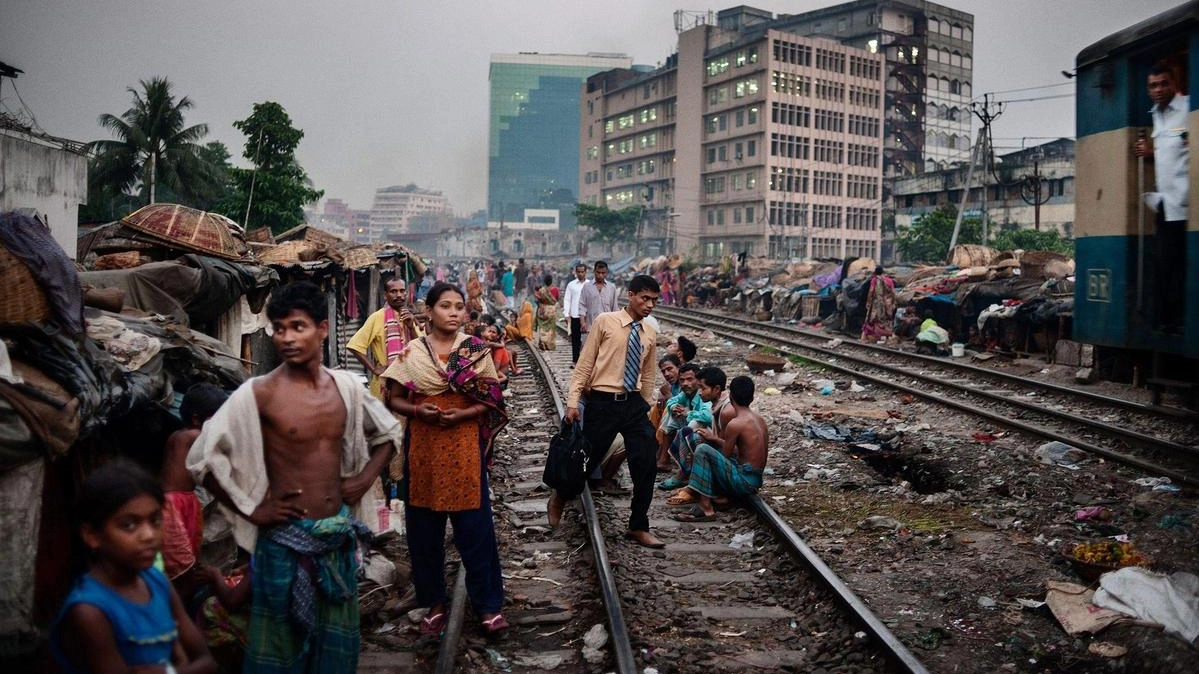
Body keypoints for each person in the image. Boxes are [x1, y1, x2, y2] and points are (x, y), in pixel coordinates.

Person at [187, 281, 402, 673]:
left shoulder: (347, 390)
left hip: (335, 541)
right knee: (279, 654)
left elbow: (388, 434)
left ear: (322, 328)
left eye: (297, 327)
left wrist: (362, 479)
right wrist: (251, 510)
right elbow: (202, 459)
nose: (286, 337)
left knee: (335, 653)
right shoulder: (260, 392)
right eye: (279, 328)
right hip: (282, 545)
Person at [382, 282, 509, 635]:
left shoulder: (475, 351)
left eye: (460, 307)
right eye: (446, 306)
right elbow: (393, 398)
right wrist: (418, 410)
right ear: (429, 311)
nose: (454, 313)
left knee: (475, 528)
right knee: (424, 531)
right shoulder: (412, 353)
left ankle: (488, 606)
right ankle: (433, 603)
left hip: (463, 446)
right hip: (423, 446)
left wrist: (464, 415)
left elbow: (492, 400)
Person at [52, 459, 217, 674]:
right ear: (92, 536)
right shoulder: (89, 611)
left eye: (155, 521)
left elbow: (207, 663)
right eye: (129, 525)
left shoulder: (157, 582)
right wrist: (179, 664)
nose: (149, 535)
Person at [550, 274, 665, 549]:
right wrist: (573, 402)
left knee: (646, 462)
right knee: (584, 460)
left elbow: (648, 373)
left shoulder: (649, 330)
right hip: (603, 401)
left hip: (634, 403)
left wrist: (646, 405)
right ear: (631, 294)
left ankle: (638, 525)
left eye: (654, 301)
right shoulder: (605, 322)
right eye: (644, 298)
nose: (649, 305)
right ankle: (560, 497)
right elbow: (584, 364)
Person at [1134, 61, 1189, 332]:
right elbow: (1173, 150)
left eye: (1163, 83)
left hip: (1187, 203)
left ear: (1174, 83)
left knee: (1177, 264)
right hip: (1166, 203)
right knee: (1164, 264)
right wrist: (1151, 151)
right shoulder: (1157, 115)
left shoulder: (1188, 108)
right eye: (1152, 85)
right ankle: (1168, 321)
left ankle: (1177, 321)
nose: (1157, 90)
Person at [161, 383, 229, 591]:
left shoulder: (182, 436)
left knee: (189, 559)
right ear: (196, 419)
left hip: (186, 501)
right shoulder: (190, 437)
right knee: (179, 564)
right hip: (173, 504)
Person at [673, 376, 768, 521]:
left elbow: (725, 455)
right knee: (708, 448)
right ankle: (718, 496)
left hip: (744, 482)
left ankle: (706, 507)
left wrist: (713, 439)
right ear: (752, 397)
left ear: (731, 396)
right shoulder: (760, 420)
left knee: (702, 450)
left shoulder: (735, 423)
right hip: (756, 481)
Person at [665, 366, 734, 506]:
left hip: (735, 472)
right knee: (691, 433)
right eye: (682, 380)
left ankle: (703, 498)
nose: (700, 392)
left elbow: (732, 451)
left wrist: (712, 440)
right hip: (727, 461)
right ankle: (695, 484)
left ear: (716, 389)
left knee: (698, 441)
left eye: (702, 388)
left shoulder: (726, 410)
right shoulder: (715, 402)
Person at [348, 277, 417, 400]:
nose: (399, 295)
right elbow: (354, 346)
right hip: (384, 382)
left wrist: (411, 328)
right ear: (386, 295)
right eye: (394, 291)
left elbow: (421, 347)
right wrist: (373, 369)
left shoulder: (410, 317)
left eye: (402, 291)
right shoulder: (377, 317)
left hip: (410, 378)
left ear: (406, 293)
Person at [655, 363, 713, 491]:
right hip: (693, 432)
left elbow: (708, 416)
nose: (685, 383)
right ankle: (665, 459)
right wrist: (673, 408)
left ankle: (684, 473)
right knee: (671, 417)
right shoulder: (686, 394)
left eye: (689, 379)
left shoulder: (703, 394)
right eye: (682, 380)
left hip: (709, 434)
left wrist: (688, 413)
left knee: (692, 424)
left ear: (698, 381)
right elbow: (671, 401)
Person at [579, 260, 618, 346]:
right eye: (598, 272)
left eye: (603, 273)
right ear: (594, 272)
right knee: (590, 353)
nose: (600, 275)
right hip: (591, 326)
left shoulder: (612, 288)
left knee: (605, 352)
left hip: (607, 327)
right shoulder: (587, 287)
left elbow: (615, 308)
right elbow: (582, 305)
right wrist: (582, 322)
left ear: (606, 273)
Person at [861, 266, 897, 343]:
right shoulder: (890, 281)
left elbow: (871, 291)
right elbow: (893, 293)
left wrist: (868, 302)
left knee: (872, 319)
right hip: (887, 304)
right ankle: (887, 338)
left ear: (875, 273)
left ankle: (871, 337)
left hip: (876, 304)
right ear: (883, 272)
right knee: (887, 320)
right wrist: (893, 303)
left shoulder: (874, 280)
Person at [563, 263, 587, 363]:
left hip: (587, 316)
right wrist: (566, 314)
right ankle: (576, 360)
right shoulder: (571, 285)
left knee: (588, 339)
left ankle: (586, 361)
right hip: (575, 315)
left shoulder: (590, 285)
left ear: (586, 272)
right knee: (575, 339)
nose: (580, 274)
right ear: (576, 272)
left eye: (582, 272)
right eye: (579, 272)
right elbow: (567, 299)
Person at [534, 274, 561, 351]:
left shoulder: (542, 290)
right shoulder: (555, 289)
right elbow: (557, 298)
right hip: (551, 310)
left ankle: (543, 341)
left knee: (543, 327)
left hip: (543, 310)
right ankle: (549, 344)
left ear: (544, 281)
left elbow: (537, 299)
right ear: (552, 281)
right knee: (551, 328)